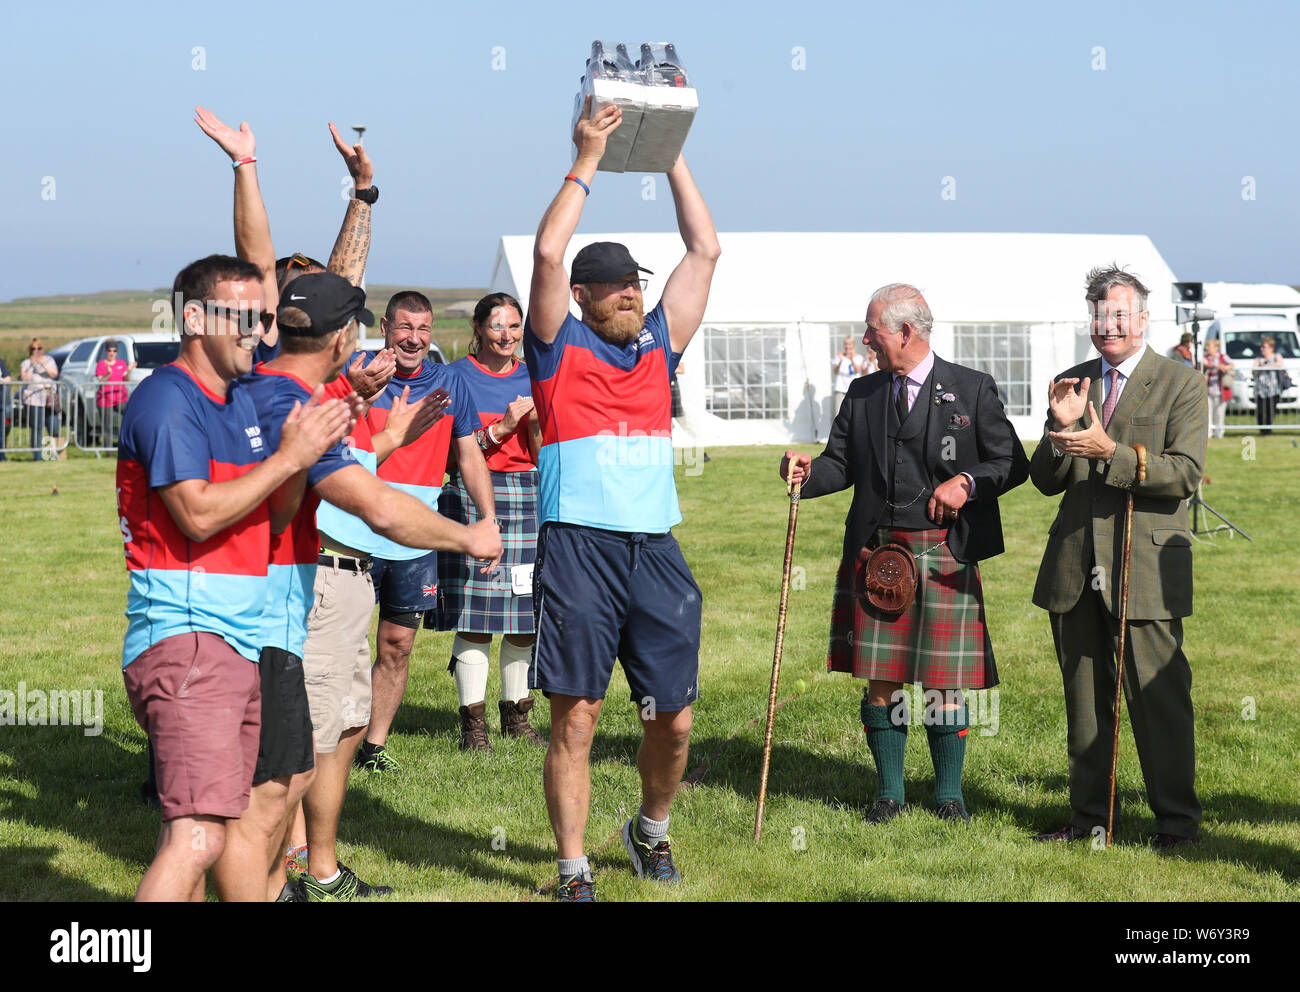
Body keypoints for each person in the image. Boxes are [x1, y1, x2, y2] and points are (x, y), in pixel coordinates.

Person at [246, 272, 501, 902]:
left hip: (349, 579)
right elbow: (377, 507)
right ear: (349, 339)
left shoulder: (342, 396)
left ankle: (321, 870)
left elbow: (356, 462)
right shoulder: (306, 395)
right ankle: (276, 879)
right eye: (370, 331)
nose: (399, 344)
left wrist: (389, 435)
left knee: (343, 728)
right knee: (306, 739)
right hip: (330, 576)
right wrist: (471, 537)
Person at [525, 95, 720, 901]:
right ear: (581, 297)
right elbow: (545, 249)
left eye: (631, 285)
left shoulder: (659, 349)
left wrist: (669, 147)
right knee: (577, 715)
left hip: (654, 547)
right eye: (607, 288)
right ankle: (573, 869)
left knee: (671, 716)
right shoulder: (554, 347)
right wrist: (588, 158)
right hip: (578, 545)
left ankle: (649, 830)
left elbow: (705, 249)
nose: (626, 295)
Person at [116, 253, 351, 901]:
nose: (255, 327)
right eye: (240, 316)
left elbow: (273, 511)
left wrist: (245, 167)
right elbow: (194, 514)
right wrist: (292, 459)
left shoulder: (235, 398)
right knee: (195, 836)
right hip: (187, 644)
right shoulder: (166, 400)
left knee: (206, 833)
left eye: (263, 316)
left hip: (229, 644)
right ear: (192, 318)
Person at [781, 283, 1029, 826]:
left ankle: (948, 796)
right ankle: (889, 794)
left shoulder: (972, 388)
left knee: (944, 679)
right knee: (883, 676)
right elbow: (839, 465)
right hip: (878, 553)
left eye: (873, 329)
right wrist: (805, 473)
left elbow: (1012, 462)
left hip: (944, 552)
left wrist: (966, 480)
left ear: (905, 331)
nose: (866, 339)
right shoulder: (864, 393)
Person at [1029, 265, 1205, 850]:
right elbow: (1045, 480)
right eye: (1100, 315)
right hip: (1075, 569)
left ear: (1143, 319)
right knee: (1084, 704)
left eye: (1120, 314)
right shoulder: (1072, 381)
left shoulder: (1181, 382)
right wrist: (1060, 429)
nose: (1109, 325)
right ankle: (1091, 821)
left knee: (1160, 701)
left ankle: (1176, 826)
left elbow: (1184, 474)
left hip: (1146, 569)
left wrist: (1114, 454)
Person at [336, 291, 497, 775]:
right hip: (354, 532)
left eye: (423, 329)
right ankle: (331, 741)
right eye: (405, 328)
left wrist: (487, 517)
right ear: (385, 326)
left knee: (397, 646)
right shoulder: (358, 374)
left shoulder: (450, 384)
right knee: (343, 646)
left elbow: (468, 454)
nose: (414, 339)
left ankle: (373, 747)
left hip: (416, 538)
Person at [427, 292, 547, 750]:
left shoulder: (533, 375)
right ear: (477, 329)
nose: (507, 336)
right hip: (471, 496)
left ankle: (517, 717)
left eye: (514, 327)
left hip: (527, 496)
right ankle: (472, 727)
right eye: (496, 326)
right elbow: (446, 450)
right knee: (477, 614)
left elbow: (541, 449)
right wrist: (499, 429)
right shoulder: (454, 376)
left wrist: (533, 428)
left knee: (523, 613)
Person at [20, 338, 59, 460]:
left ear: (43, 349)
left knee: (54, 427)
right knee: (37, 428)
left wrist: (41, 363)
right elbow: (25, 379)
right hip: (34, 399)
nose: (36, 351)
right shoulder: (26, 363)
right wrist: (32, 364)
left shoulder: (49, 360)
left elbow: (53, 374)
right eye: (33, 348)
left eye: (39, 348)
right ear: (30, 350)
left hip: (49, 398)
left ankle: (53, 453)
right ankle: (38, 456)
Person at [95, 340, 135, 445]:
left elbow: (126, 379)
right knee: (107, 426)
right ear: (106, 352)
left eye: (114, 351)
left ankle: (125, 444)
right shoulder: (101, 364)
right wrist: (108, 373)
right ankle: (108, 451)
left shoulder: (121, 363)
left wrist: (129, 370)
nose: (112, 353)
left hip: (120, 398)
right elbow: (101, 381)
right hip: (105, 399)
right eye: (109, 350)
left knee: (129, 417)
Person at [1252, 336, 1284, 436]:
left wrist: (1265, 365)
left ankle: (1268, 431)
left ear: (1271, 348)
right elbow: (1254, 371)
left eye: (1264, 347)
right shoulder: (1258, 358)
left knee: (1270, 411)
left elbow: (1280, 365)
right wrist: (1259, 366)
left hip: (1273, 390)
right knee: (1260, 411)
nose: (1262, 349)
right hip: (1260, 390)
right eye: (1261, 347)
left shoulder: (1277, 356)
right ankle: (1262, 430)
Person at [1203, 337, 1232, 440]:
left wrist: (1225, 368)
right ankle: (1209, 433)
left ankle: (1219, 433)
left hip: (1221, 390)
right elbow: (1206, 365)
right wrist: (1217, 366)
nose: (1207, 348)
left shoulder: (1223, 357)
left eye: (1209, 346)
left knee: (1220, 413)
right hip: (1208, 390)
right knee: (1208, 413)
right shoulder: (1205, 358)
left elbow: (1232, 364)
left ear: (1216, 347)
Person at [832, 334, 865, 416]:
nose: (847, 346)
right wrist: (840, 360)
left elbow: (857, 370)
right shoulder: (839, 357)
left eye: (849, 344)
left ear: (853, 345)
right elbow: (835, 372)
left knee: (854, 414)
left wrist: (851, 359)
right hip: (840, 390)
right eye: (846, 344)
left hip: (854, 390)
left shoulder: (859, 357)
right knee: (838, 414)